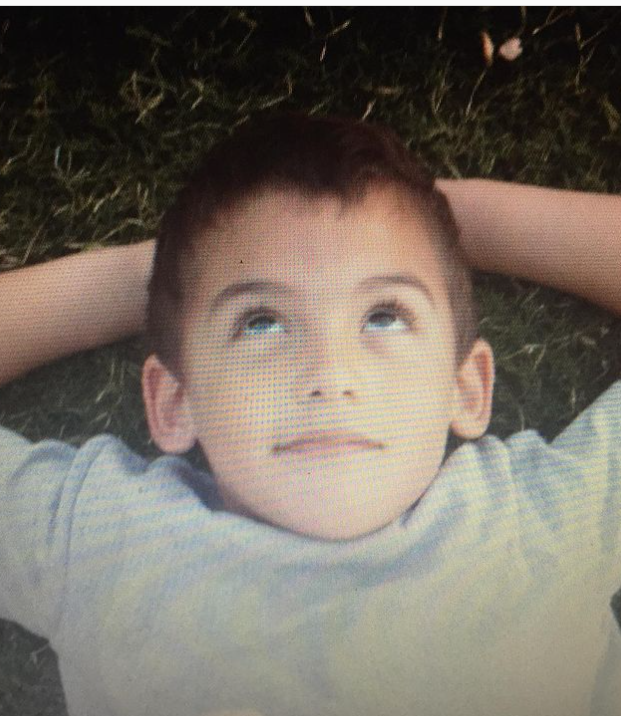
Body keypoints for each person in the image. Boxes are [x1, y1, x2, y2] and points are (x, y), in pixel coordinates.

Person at [0, 113, 619, 716]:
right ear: (175, 402)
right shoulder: (106, 542)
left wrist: (457, 222)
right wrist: (158, 272)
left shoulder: (542, 522)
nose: (330, 375)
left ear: (467, 388)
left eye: (385, 315)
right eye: (260, 321)